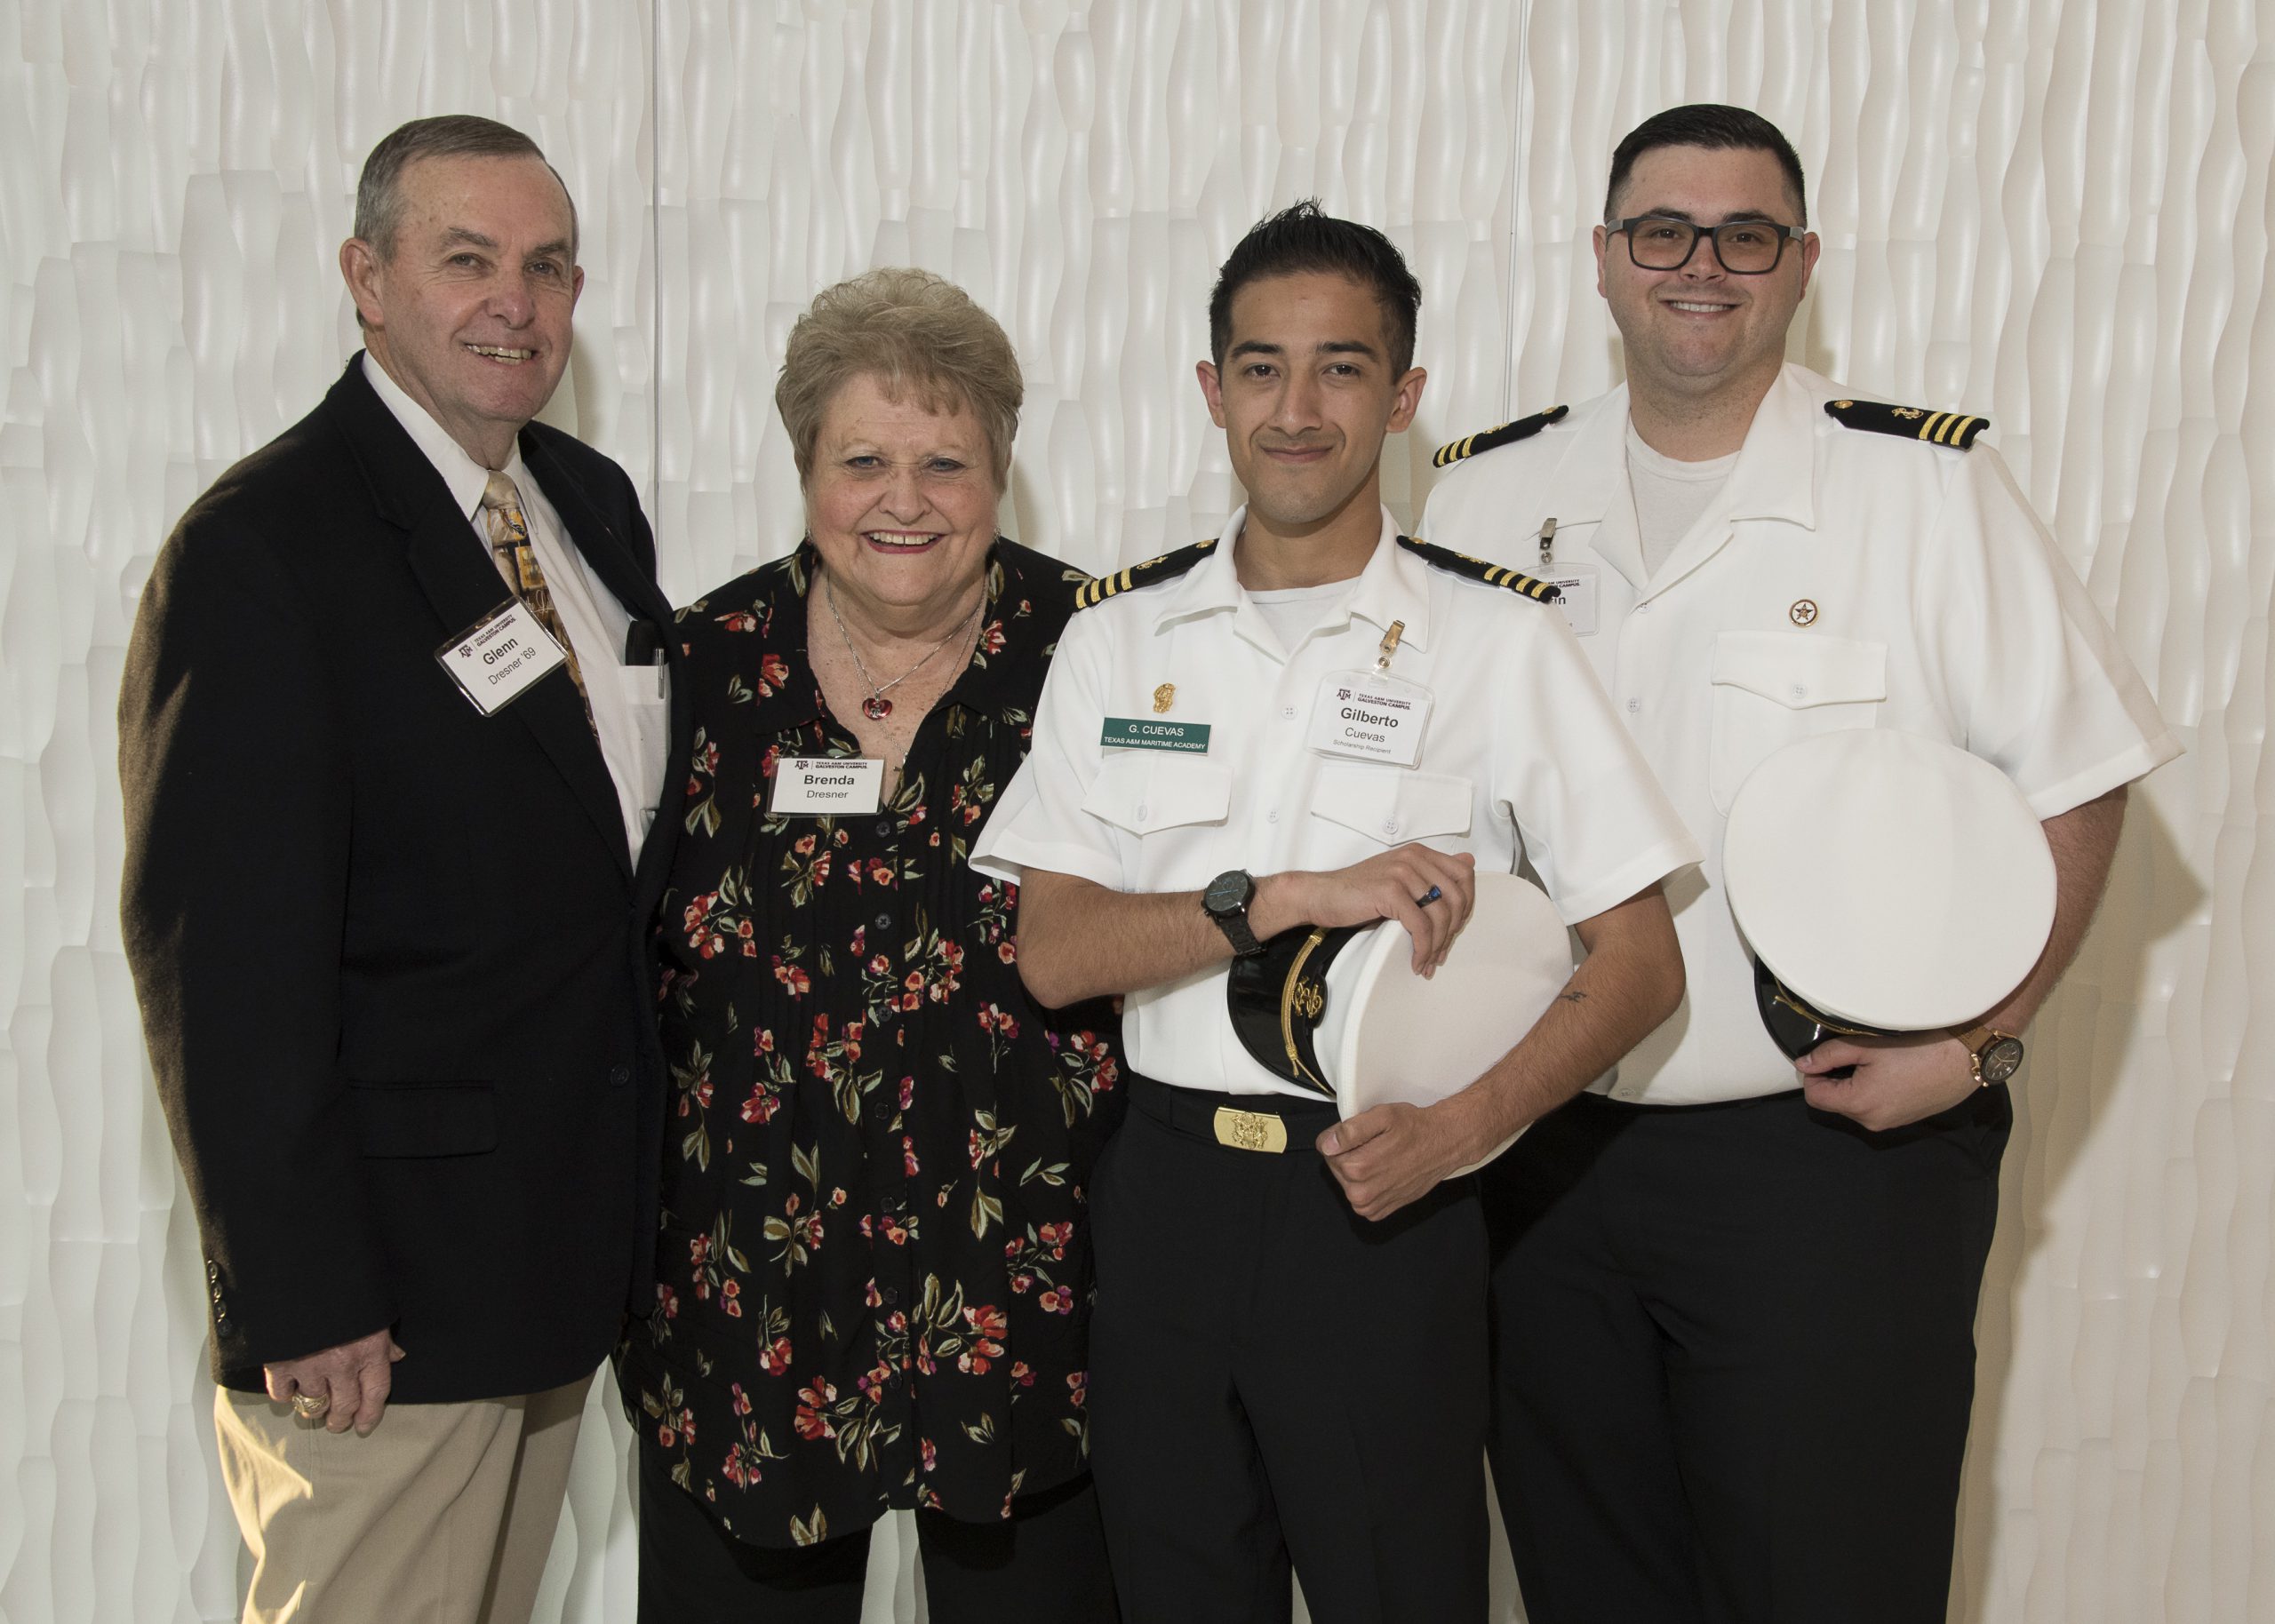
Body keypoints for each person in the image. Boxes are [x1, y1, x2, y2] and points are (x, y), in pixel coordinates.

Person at [1419, 104, 2183, 1624]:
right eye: (1663, 232)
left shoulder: (1922, 488)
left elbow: (2083, 785)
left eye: (1745, 235)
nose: (1702, 266)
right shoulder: (1486, 495)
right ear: (1605, 259)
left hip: (1828, 1162)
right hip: (1547, 1157)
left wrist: (1982, 1042)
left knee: (1833, 1586)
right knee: (1592, 1585)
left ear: (1801, 265)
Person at [971, 203, 1703, 1624]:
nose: (1296, 410)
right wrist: (1278, 901)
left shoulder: (1498, 641)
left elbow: (1642, 961)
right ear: (1212, 391)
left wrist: (1463, 1130)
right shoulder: (1121, 638)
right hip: (1166, 1198)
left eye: (1342, 369)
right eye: (1260, 368)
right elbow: (1056, 955)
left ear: (1406, 396)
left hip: (1381, 1207)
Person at [117, 116, 682, 1622]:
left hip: (552, 1272)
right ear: (368, 280)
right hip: (380, 1317)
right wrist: (304, 1294)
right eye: (469, 261)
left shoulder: (587, 505)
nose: (519, 302)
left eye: (549, 267)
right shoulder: (265, 548)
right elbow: (218, 960)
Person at [616, 267, 1124, 1621]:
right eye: (864, 460)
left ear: (1001, 469)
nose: (905, 499)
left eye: (946, 461)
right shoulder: (699, 670)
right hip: (749, 1308)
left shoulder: (1106, 659)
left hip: (1034, 1307)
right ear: (805, 468)